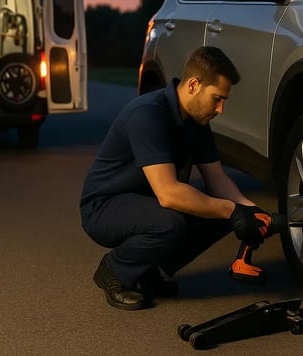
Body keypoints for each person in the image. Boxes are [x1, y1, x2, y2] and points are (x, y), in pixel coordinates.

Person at [79, 46, 273, 311]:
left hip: (144, 202)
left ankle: (148, 271)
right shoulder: (148, 113)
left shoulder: (198, 121)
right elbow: (168, 193)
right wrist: (232, 211)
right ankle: (114, 271)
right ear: (194, 85)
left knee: (220, 205)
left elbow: (216, 177)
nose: (221, 109)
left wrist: (251, 211)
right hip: (104, 206)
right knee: (170, 222)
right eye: (217, 99)